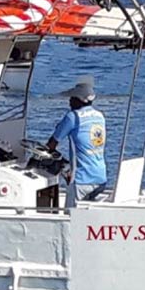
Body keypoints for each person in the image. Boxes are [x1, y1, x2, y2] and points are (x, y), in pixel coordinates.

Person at [46, 75, 107, 207]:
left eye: (72, 98)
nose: (69, 101)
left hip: (81, 179)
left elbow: (52, 144)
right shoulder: (100, 116)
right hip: (100, 177)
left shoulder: (73, 117)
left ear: (78, 100)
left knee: (71, 216)